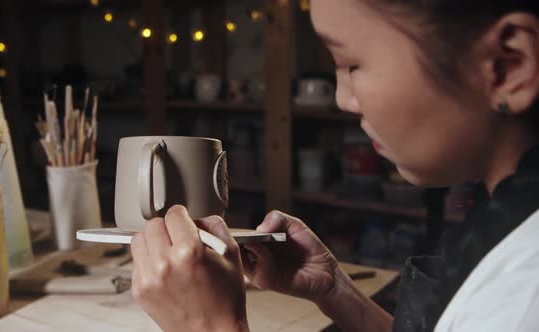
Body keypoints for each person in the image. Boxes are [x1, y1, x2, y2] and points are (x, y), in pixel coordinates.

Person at [130, 0, 539, 331]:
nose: (343, 98)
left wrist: (211, 325)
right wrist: (335, 290)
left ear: (507, 65)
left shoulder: (525, 292)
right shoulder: (511, 212)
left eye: (350, 64)